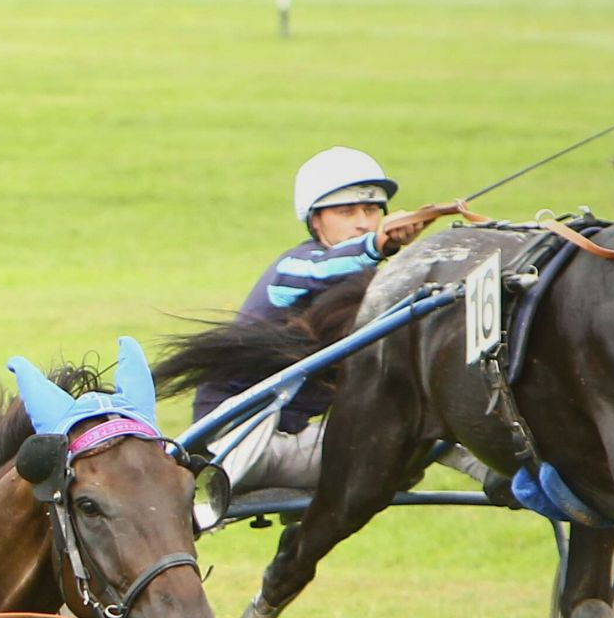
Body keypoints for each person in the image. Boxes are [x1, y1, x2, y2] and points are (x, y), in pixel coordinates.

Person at [193, 147, 485, 493]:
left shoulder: (370, 282)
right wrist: (376, 244)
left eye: (372, 210)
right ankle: (508, 477)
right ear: (315, 221)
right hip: (240, 447)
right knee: (407, 425)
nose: (362, 221)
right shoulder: (295, 268)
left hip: (291, 440)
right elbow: (323, 270)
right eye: (347, 212)